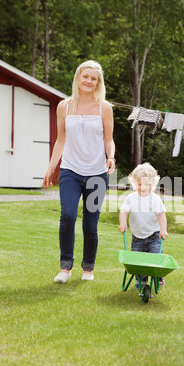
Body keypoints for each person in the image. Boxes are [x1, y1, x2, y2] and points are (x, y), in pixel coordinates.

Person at [43, 60, 115, 283]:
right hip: (70, 171)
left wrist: (111, 157)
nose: (89, 81)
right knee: (67, 216)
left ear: (98, 82)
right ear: (78, 78)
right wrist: (51, 167)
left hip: (97, 173)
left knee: (90, 223)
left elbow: (109, 139)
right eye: (86, 77)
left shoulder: (105, 107)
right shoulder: (64, 106)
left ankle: (88, 269)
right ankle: (65, 268)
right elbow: (60, 140)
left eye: (94, 78)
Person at [118, 163, 168, 289]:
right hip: (137, 237)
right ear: (135, 183)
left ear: (153, 184)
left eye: (147, 185)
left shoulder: (155, 199)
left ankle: (158, 276)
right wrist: (123, 223)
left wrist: (163, 230)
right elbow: (124, 211)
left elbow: (161, 215)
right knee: (137, 261)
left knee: (155, 256)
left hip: (154, 236)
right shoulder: (131, 198)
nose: (143, 188)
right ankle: (141, 281)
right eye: (140, 184)